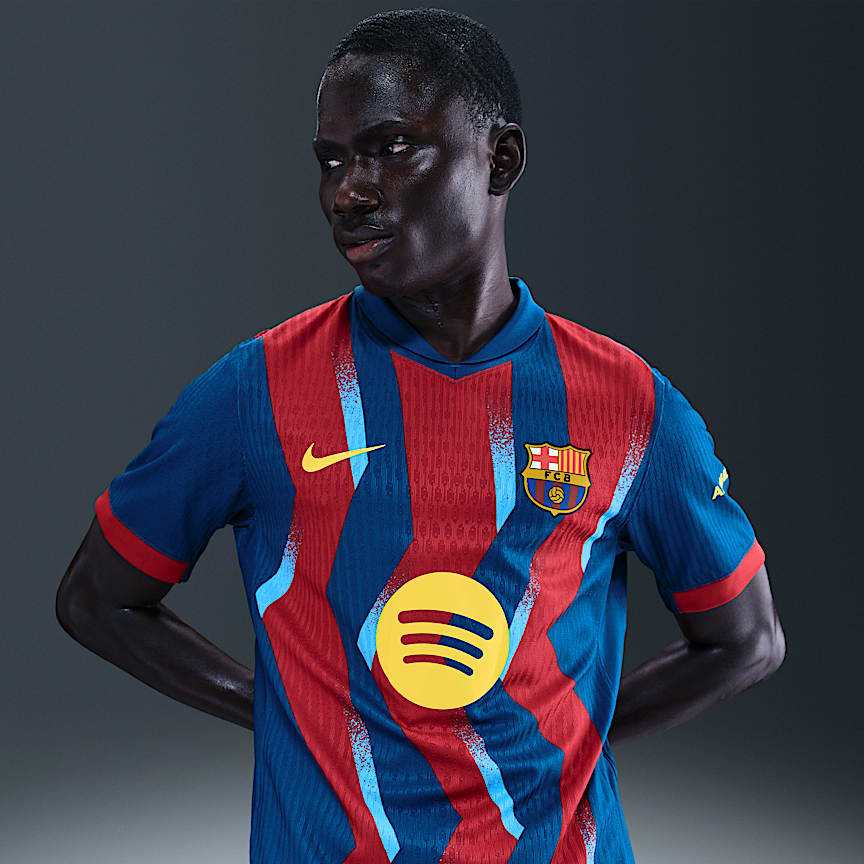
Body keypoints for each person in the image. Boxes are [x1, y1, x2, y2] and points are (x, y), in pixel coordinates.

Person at [56, 8, 786, 862]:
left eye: (391, 147)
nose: (349, 192)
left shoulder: (630, 406)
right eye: (332, 160)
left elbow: (747, 642)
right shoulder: (254, 393)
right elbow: (96, 599)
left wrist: (566, 735)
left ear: (500, 160)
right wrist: (283, 713)